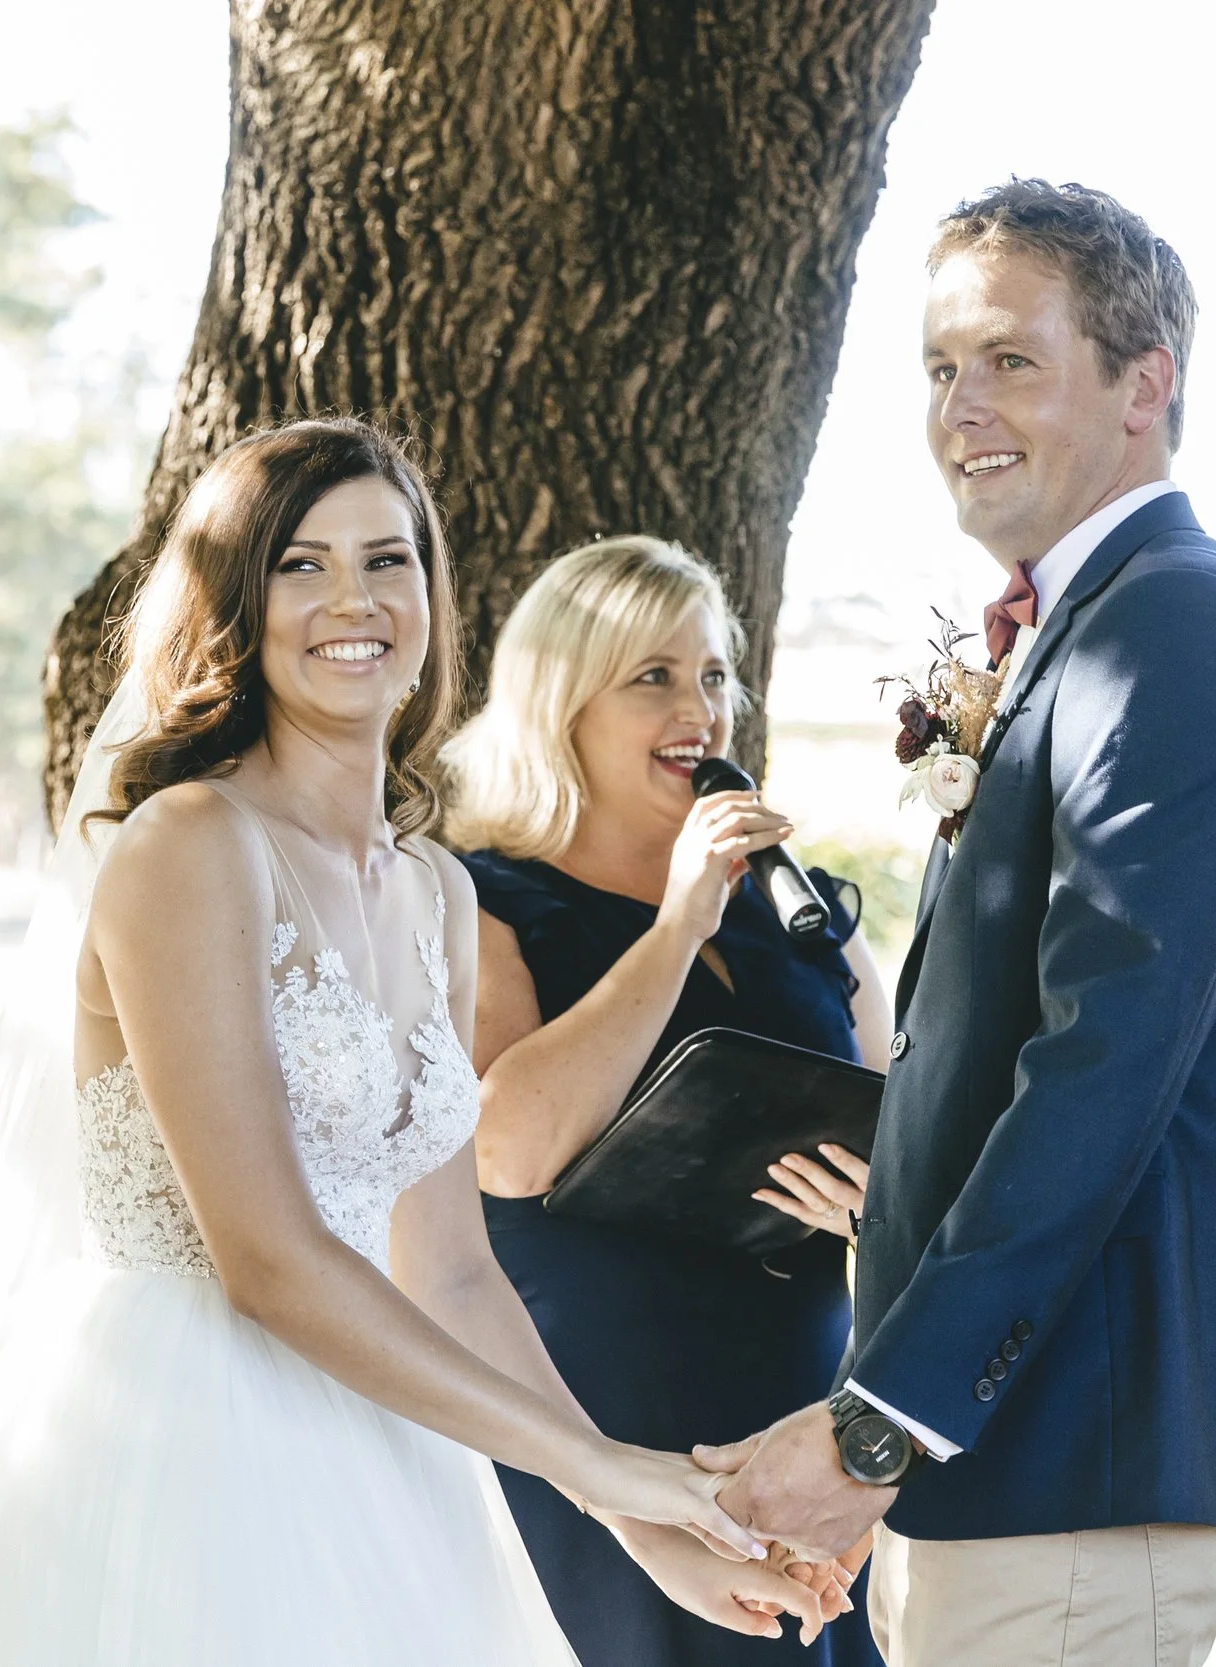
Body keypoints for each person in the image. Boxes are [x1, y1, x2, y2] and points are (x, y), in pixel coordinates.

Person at [0, 421, 829, 1667]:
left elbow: (451, 1273)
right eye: (300, 565)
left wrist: (638, 1524)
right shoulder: (188, 846)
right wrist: (601, 1459)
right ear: (238, 603)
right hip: (174, 1452)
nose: (353, 599)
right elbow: (266, 1259)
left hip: (385, 1452)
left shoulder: (435, 889)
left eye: (387, 560)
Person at [696, 181, 1216, 1665]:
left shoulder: (1178, 630)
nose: (960, 408)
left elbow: (1103, 1069)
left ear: (1145, 383)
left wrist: (877, 1422)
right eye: (938, 368)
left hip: (1085, 1439)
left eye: (1008, 359)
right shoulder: (1090, 627)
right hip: (1019, 1456)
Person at [442, 536, 893, 1667]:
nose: (699, 707)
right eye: (653, 675)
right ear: (561, 705)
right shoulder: (486, 902)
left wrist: (885, 1203)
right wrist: (677, 923)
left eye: (712, 675)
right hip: (598, 1421)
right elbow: (511, 1148)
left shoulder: (804, 917)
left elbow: (905, 1124)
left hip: (790, 1415)